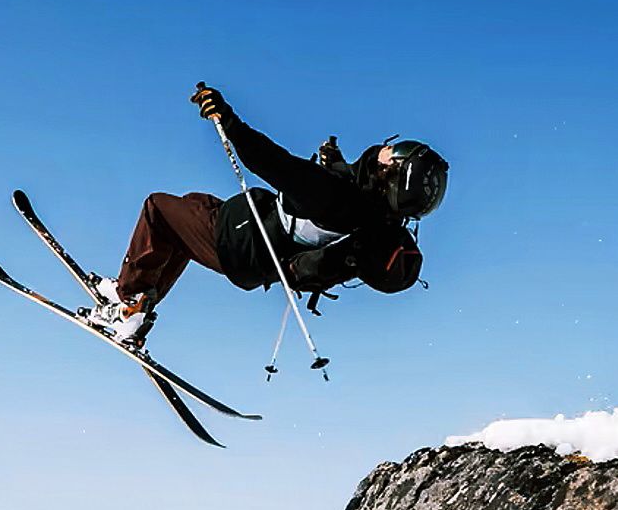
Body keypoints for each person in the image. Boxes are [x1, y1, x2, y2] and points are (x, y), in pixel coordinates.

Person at [86, 85, 449, 345]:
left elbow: (272, 163)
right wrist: (338, 164)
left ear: (394, 176)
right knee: (187, 215)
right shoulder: (375, 215)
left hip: (240, 241)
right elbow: (348, 193)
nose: (388, 149)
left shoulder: (334, 198)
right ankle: (139, 298)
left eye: (396, 154)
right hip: (251, 248)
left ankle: (128, 304)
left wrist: (228, 120)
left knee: (158, 210)